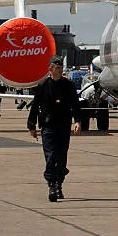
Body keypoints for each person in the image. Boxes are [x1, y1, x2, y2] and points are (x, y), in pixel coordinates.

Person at [27, 55, 82, 202]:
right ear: (50, 69)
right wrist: (31, 125)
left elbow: (75, 105)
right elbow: (35, 106)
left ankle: (59, 184)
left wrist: (78, 121)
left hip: (63, 125)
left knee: (62, 157)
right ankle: (51, 185)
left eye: (61, 68)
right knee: (51, 156)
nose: (60, 70)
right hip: (48, 126)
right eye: (57, 68)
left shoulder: (69, 85)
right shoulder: (43, 86)